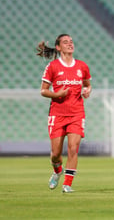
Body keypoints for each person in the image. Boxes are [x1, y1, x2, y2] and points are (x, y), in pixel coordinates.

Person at [36, 34, 92, 193]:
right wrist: (57, 95)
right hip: (57, 114)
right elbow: (43, 91)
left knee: (73, 148)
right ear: (59, 47)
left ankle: (67, 184)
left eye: (71, 42)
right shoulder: (53, 67)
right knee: (55, 154)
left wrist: (87, 90)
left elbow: (88, 84)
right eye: (66, 42)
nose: (70, 44)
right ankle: (57, 170)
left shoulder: (82, 66)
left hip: (76, 113)